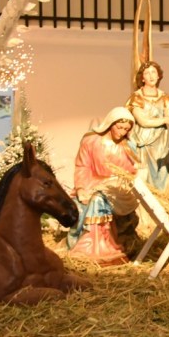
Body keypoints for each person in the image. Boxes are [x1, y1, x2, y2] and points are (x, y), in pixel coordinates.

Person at [67, 107, 140, 265]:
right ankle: (88, 244)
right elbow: (83, 166)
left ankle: (104, 244)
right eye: (119, 127)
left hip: (118, 189)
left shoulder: (127, 146)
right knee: (88, 200)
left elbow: (133, 171)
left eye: (126, 129)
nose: (121, 132)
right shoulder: (91, 141)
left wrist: (128, 177)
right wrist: (80, 188)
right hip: (92, 182)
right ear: (110, 124)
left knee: (98, 199)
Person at [126, 60, 169, 191]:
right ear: (142, 77)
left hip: (161, 147)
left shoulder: (166, 98)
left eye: (154, 72)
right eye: (147, 73)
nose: (151, 76)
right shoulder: (137, 98)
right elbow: (143, 121)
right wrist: (165, 120)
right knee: (144, 181)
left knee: (162, 180)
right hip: (143, 146)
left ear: (159, 76)